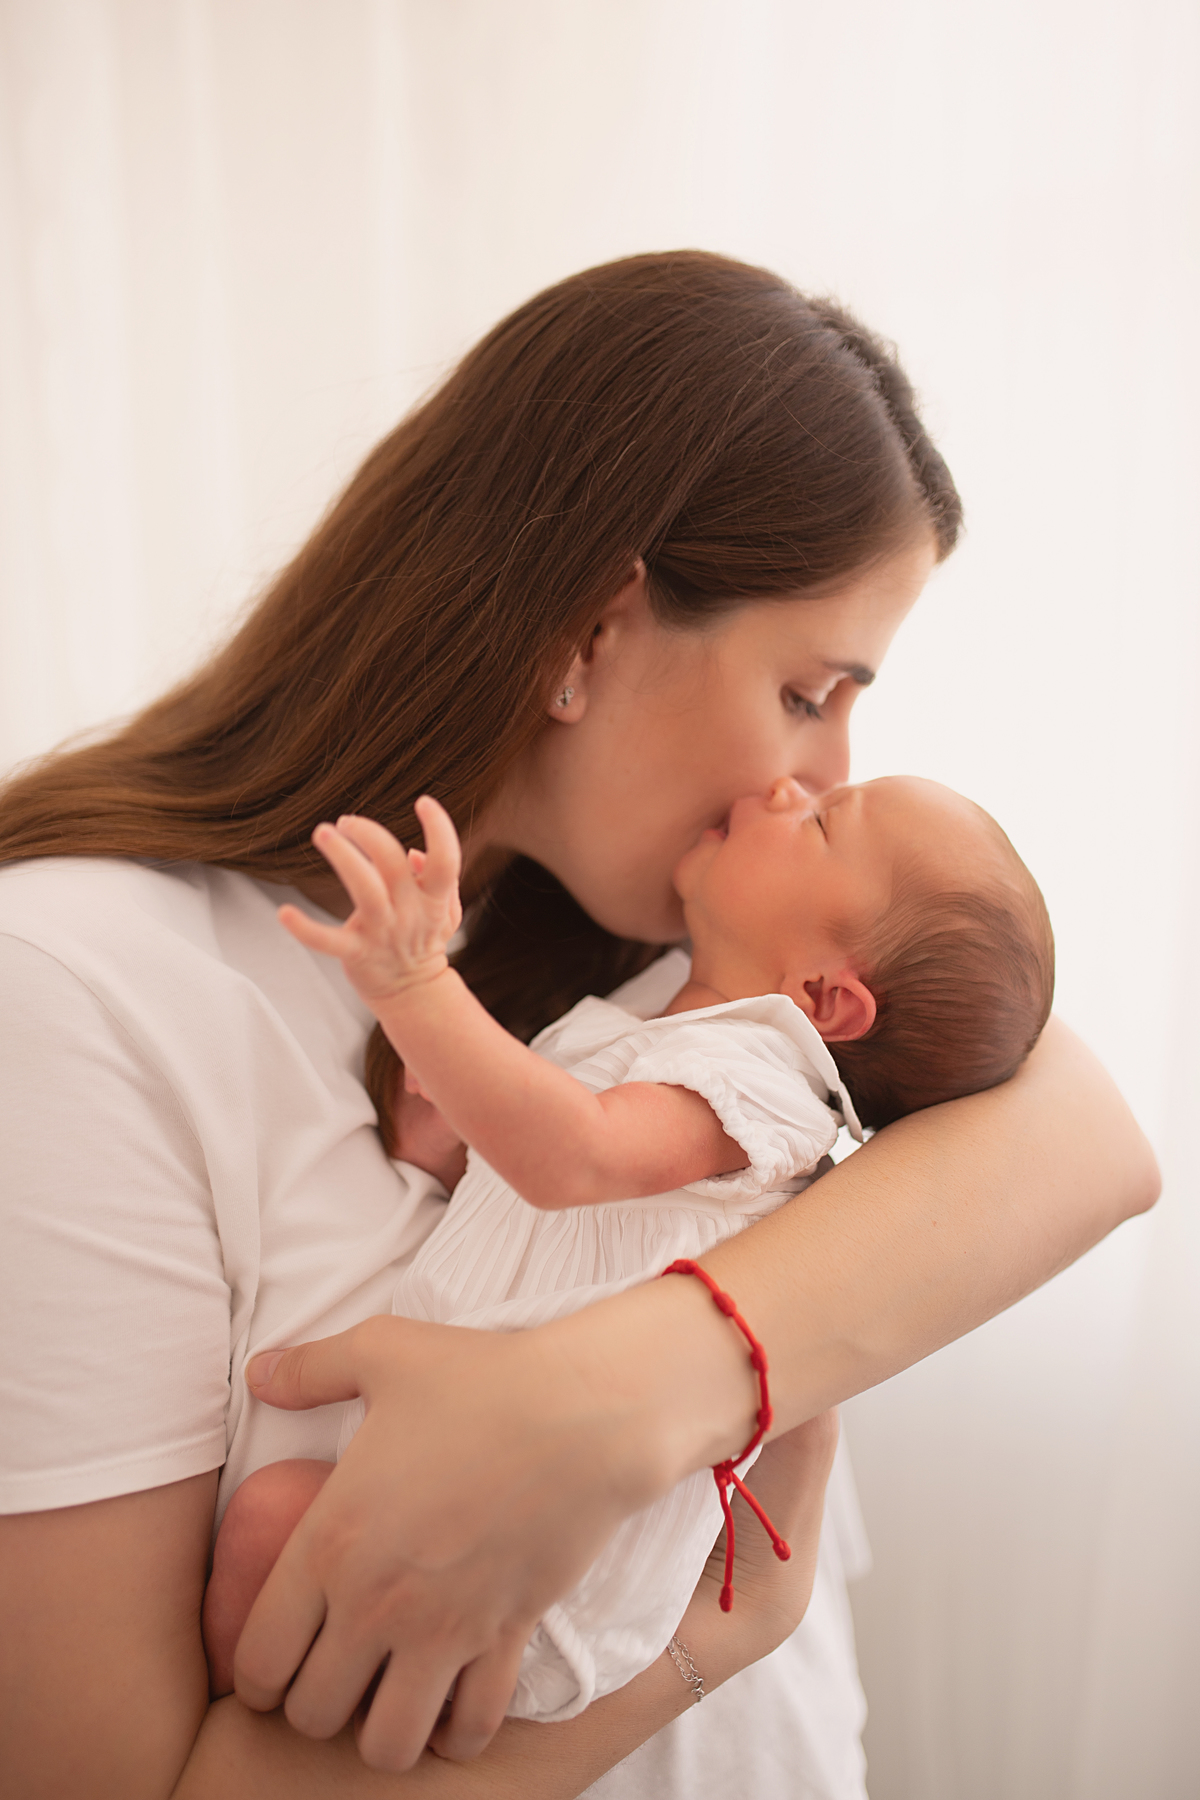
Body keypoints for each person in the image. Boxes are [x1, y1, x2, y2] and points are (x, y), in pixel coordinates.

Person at [0, 251, 1158, 1800]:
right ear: (591, 634)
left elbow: (1089, 1138)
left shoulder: (664, 958)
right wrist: (705, 1639)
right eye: (811, 690)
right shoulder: (73, 985)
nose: (817, 777)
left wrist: (606, 1408)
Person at [202, 769, 1054, 1721]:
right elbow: (547, 1160)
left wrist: (416, 983)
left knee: (273, 1519)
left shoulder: (767, 1081)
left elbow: (576, 1154)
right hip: (478, 1480)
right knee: (278, 1522)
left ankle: (237, 1746)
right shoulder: (654, 1032)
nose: (783, 784)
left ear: (822, 996)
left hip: (543, 1570)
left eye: (818, 821)